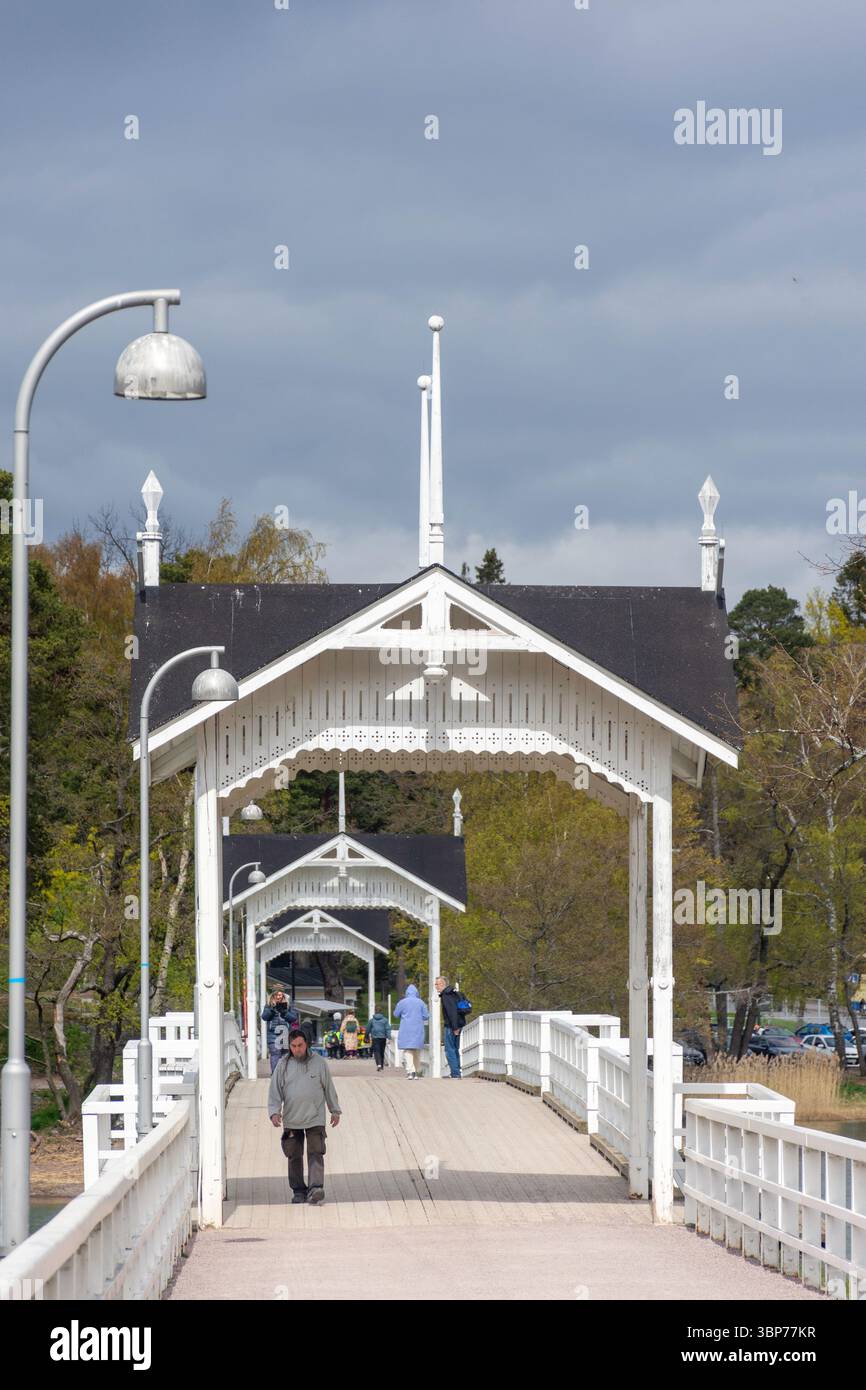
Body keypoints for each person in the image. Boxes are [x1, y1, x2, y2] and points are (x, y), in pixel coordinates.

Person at [268, 1028, 342, 1204]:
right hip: (292, 1118)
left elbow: (328, 1088)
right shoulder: (283, 1065)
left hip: (315, 1117)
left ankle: (316, 1188)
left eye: (300, 1045)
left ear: (306, 1044)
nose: (297, 1049)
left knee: (316, 1152)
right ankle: (298, 1190)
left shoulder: (319, 1063)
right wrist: (274, 1112)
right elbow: (274, 1090)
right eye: (293, 1046)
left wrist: (335, 1110)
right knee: (293, 1154)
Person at [393, 983, 428, 1079]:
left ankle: (410, 1071)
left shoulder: (402, 1002)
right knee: (416, 1051)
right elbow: (426, 1016)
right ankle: (416, 1072)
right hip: (418, 1029)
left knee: (408, 1050)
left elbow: (396, 1014)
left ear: (407, 993)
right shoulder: (421, 1002)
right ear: (416, 993)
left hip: (406, 1029)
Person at [261, 990, 300, 1074]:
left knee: (285, 1055)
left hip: (285, 1033)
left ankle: (284, 1074)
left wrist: (284, 1012)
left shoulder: (288, 1006)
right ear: (273, 996)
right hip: (273, 1034)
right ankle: (275, 1074)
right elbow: (264, 1017)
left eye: (280, 995)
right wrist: (272, 1009)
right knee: (275, 1053)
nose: (278, 997)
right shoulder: (269, 1006)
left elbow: (294, 1018)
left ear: (283, 995)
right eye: (276, 995)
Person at [435, 975, 465, 1079]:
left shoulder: (446, 996)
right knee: (455, 1049)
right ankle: (457, 1072)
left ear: (443, 984)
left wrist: (455, 1027)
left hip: (451, 1026)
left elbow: (452, 1012)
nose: (436, 986)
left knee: (449, 1050)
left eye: (437, 984)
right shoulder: (454, 993)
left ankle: (455, 1073)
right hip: (459, 1024)